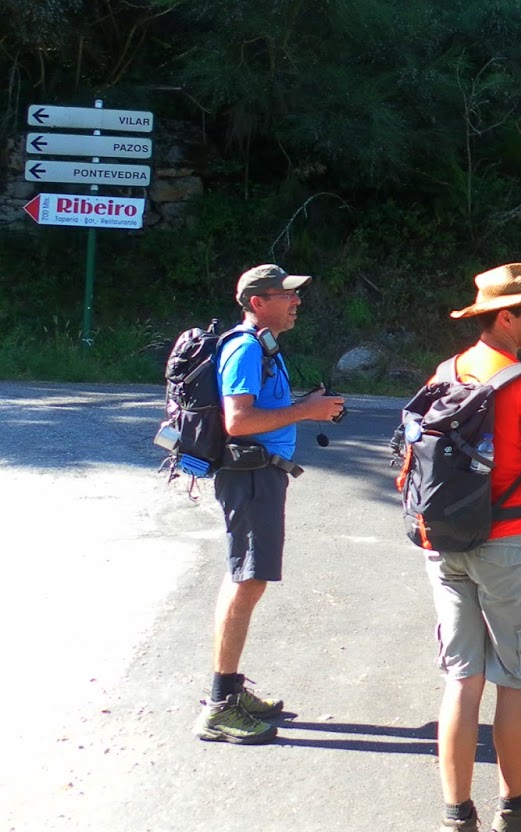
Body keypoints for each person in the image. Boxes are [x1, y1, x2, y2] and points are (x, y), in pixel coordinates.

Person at [426, 263, 521, 832]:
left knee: (462, 678)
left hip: (445, 545)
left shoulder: (448, 370)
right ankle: (515, 812)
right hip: (510, 547)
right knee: (516, 680)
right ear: (505, 318)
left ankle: (456, 815)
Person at [194, 264, 345, 745]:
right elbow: (237, 422)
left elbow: (260, 410)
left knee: (244, 579)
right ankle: (220, 708)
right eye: (287, 295)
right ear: (258, 302)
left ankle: (228, 690)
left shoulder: (263, 346)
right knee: (247, 581)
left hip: (259, 476)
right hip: (250, 477)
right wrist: (306, 411)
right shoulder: (245, 349)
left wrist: (306, 404)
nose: (296, 302)